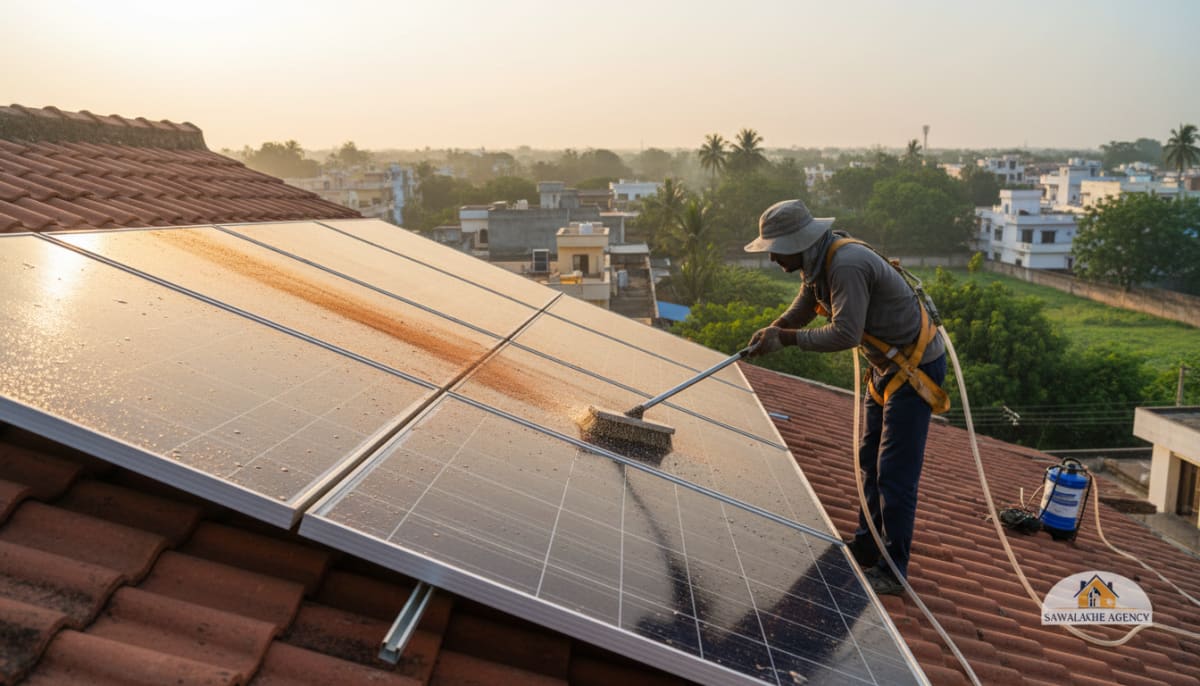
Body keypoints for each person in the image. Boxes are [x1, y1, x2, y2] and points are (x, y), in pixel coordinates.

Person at [743, 199, 948, 596]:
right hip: (887, 368)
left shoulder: (846, 264)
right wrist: (776, 327)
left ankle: (893, 569)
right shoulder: (818, 262)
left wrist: (786, 340)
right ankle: (867, 544)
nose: (771, 257)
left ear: (799, 243)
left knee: (894, 472)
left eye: (776, 248)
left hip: (914, 368)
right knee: (868, 459)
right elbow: (805, 305)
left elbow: (845, 334)